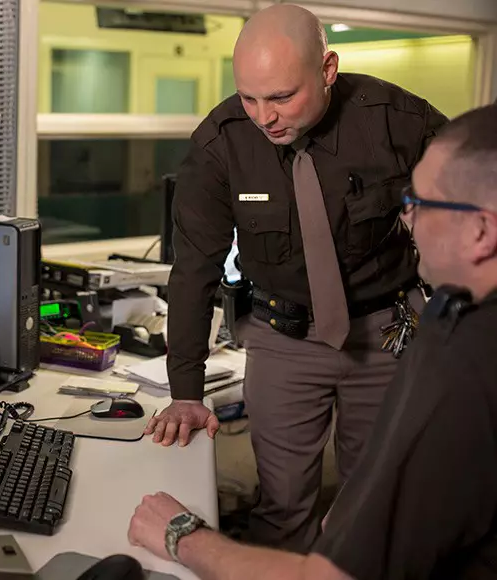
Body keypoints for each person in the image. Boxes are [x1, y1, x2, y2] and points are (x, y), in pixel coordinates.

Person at [129, 102, 497, 580]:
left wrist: (183, 534)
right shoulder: (460, 328)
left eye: (421, 204)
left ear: (481, 230)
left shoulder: (462, 372)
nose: (406, 220)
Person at [149, 3, 447, 549]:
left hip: (388, 332)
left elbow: (473, 208)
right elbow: (193, 268)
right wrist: (186, 390)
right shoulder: (221, 144)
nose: (265, 116)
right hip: (284, 340)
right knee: (282, 506)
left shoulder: (397, 120)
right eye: (249, 97)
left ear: (327, 70)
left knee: (377, 501)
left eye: (282, 97)